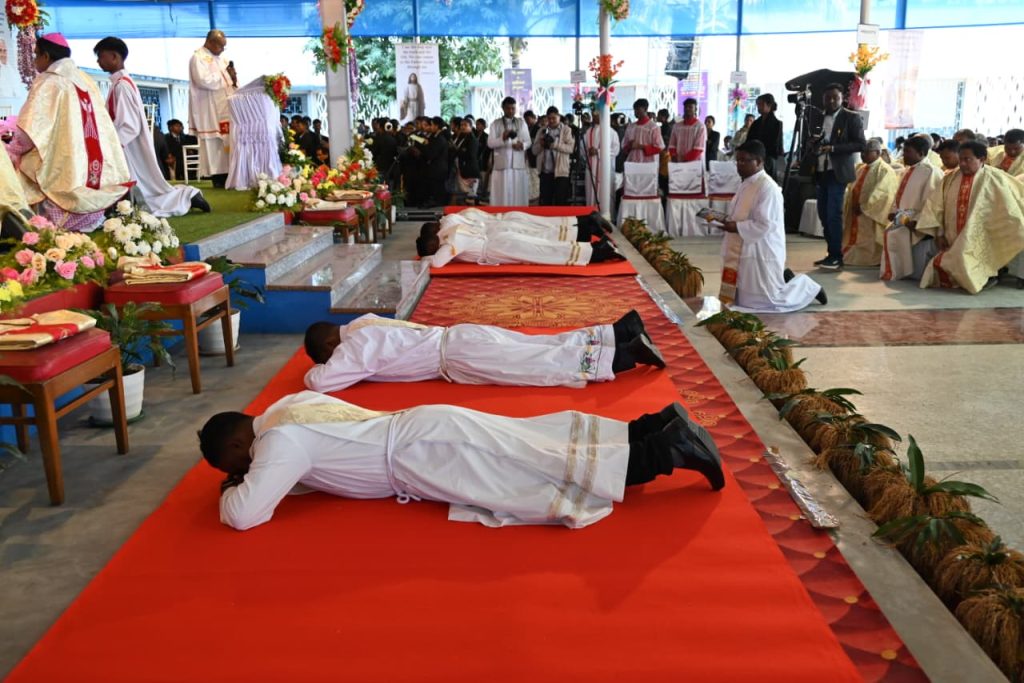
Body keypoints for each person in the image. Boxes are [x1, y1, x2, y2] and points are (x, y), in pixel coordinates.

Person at [199, 389, 724, 531]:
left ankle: (669, 449)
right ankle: (654, 426)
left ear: (238, 449)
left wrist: (233, 490)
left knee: (534, 471)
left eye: (234, 467)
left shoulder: (278, 444)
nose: (242, 473)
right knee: (536, 443)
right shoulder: (285, 407)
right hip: (421, 428)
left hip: (422, 453)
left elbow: (244, 515)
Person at [302, 310, 666, 395]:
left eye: (328, 357)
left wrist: (317, 367)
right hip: (459, 334)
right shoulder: (363, 323)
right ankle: (618, 332)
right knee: (539, 344)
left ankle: (624, 355)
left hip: (458, 357)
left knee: (536, 365)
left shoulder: (354, 347)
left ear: (331, 347)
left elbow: (319, 383)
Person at [5, 33, 130, 232]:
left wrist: (12, 149)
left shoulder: (49, 81)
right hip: (89, 164)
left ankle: (41, 225)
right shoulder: (85, 79)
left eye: (36, 55)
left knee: (22, 164)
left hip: (64, 164)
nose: (34, 60)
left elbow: (31, 130)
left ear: (46, 56)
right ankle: (87, 222)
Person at [93, 37, 209, 217]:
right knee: (145, 187)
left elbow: (129, 124)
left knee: (147, 190)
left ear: (114, 57)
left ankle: (188, 196)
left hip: (128, 145)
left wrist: (112, 146)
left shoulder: (122, 85)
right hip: (127, 143)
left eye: (101, 56)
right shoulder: (120, 83)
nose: (98, 61)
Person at [707, 141, 826, 312]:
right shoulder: (746, 183)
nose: (739, 165)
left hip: (760, 248)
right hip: (742, 245)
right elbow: (740, 214)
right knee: (741, 299)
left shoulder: (767, 187)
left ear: (759, 162)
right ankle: (786, 277)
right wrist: (725, 221)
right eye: (737, 160)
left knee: (769, 302)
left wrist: (736, 227)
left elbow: (765, 224)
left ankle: (807, 287)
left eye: (744, 160)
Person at [916, 141, 1024, 294]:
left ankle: (989, 274)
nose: (962, 164)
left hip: (984, 236)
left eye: (967, 159)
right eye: (961, 159)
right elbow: (936, 206)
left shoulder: (996, 178)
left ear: (982, 159)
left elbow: (1008, 211)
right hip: (952, 237)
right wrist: (939, 233)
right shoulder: (950, 178)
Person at [806, 83, 866, 270]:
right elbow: (812, 140)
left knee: (833, 214)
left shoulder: (851, 117)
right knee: (823, 214)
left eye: (835, 98)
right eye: (828, 98)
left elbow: (860, 144)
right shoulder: (817, 116)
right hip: (820, 170)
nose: (831, 101)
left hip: (837, 172)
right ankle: (831, 252)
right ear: (823, 99)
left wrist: (833, 148)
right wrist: (813, 144)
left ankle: (836, 256)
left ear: (842, 99)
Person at [417, 219, 623, 267]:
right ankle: (596, 248)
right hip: (499, 241)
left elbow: (437, 263)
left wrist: (424, 258)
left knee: (544, 252)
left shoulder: (449, 242)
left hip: (498, 248)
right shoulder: (451, 231)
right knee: (544, 245)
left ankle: (596, 252)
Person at [879, 135, 944, 281]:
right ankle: (899, 270)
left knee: (895, 235)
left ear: (920, 153)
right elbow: (899, 195)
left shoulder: (931, 172)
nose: (904, 155)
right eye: (904, 151)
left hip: (918, 221)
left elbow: (932, 202)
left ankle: (903, 271)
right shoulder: (907, 170)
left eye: (908, 152)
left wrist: (916, 220)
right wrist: (893, 211)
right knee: (890, 232)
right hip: (903, 217)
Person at [840, 139, 898, 267]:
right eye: (862, 152)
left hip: (870, 213)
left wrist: (864, 207)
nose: (863, 155)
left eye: (867, 152)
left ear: (877, 152)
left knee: (868, 238)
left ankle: (870, 259)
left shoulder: (885, 170)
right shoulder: (860, 168)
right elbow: (850, 187)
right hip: (855, 210)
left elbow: (884, 193)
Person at [188, 30, 234, 188]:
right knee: (214, 143)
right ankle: (218, 177)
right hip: (209, 108)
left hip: (224, 106)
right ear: (211, 42)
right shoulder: (198, 58)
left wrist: (232, 77)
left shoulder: (222, 59)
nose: (222, 50)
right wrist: (225, 75)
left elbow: (230, 81)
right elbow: (203, 80)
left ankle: (230, 173)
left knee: (227, 139)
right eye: (221, 46)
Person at [487, 97, 531, 206]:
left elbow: (528, 141)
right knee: (501, 194)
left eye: (513, 108)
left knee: (518, 194)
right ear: (503, 108)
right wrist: (502, 138)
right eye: (508, 108)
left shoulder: (521, 123)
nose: (511, 111)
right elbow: (490, 143)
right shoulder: (495, 124)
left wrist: (522, 145)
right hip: (502, 166)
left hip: (517, 165)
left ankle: (519, 214)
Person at [531, 106, 575, 206]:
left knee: (560, 203)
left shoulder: (567, 130)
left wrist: (554, 144)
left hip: (561, 173)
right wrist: (541, 145)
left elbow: (570, 149)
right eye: (549, 118)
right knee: (546, 203)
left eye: (554, 118)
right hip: (545, 173)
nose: (551, 121)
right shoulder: (541, 131)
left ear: (559, 117)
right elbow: (534, 151)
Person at [583, 109, 620, 209]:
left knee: (605, 194)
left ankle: (606, 215)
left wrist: (598, 152)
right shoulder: (588, 132)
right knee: (591, 192)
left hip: (605, 169)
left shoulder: (611, 132)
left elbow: (615, 150)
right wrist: (588, 152)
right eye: (593, 114)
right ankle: (591, 213)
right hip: (591, 167)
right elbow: (583, 149)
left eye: (597, 114)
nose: (595, 116)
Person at [746, 94, 783, 181]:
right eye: (757, 105)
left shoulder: (777, 124)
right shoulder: (756, 123)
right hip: (755, 157)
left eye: (761, 104)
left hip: (768, 158)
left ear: (769, 105)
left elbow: (775, 144)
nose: (758, 107)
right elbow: (749, 140)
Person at [621, 99, 664, 163]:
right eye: (634, 110)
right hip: (633, 161)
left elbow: (659, 147)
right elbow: (624, 146)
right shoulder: (631, 127)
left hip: (649, 162)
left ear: (645, 109)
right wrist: (630, 145)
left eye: (638, 109)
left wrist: (640, 146)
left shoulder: (653, 127)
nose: (635, 112)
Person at [450, 118, 480, 204]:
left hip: (469, 170)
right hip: (460, 169)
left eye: (465, 125)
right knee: (458, 195)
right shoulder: (462, 137)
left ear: (471, 127)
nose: (462, 127)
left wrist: (457, 150)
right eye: (461, 125)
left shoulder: (473, 139)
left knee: (470, 197)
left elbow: (470, 155)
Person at [668, 98, 705, 163]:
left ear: (695, 109)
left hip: (694, 162)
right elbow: (672, 144)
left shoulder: (700, 126)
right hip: (678, 162)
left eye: (690, 107)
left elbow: (698, 148)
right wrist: (674, 156)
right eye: (686, 107)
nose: (687, 109)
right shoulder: (677, 126)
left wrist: (685, 160)